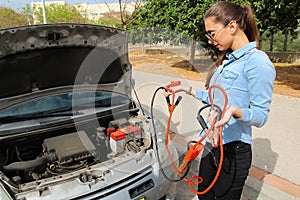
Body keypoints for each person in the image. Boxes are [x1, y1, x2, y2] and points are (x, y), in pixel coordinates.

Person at [174, 1, 276, 200]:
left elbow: (261, 115)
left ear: (232, 26)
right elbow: (217, 99)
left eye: (212, 33)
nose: (210, 40)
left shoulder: (257, 62)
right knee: (204, 196)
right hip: (212, 146)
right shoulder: (227, 61)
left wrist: (236, 111)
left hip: (233, 152)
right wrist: (187, 90)